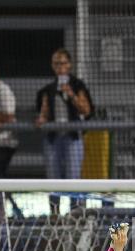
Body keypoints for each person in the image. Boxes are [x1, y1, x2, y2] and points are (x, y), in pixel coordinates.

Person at [35, 48, 93, 180]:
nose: (59, 67)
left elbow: (86, 110)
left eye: (62, 63)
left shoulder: (78, 85)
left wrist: (71, 94)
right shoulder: (48, 89)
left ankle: (75, 201)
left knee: (73, 175)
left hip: (72, 136)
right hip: (53, 137)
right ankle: (55, 200)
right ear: (52, 66)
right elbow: (44, 112)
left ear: (69, 64)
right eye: (56, 64)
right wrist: (41, 119)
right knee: (53, 176)